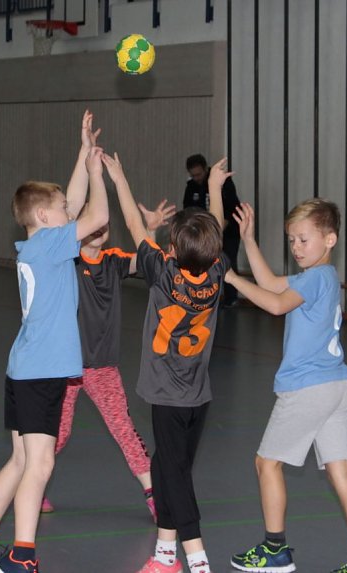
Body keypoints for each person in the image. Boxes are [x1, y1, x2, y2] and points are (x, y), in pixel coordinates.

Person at [0, 109, 109, 573]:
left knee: (22, 460)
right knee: (40, 464)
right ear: (45, 216)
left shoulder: (40, 243)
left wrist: (82, 153)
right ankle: (22, 557)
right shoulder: (51, 245)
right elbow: (95, 213)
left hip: (25, 367)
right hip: (41, 370)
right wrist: (98, 174)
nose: (69, 212)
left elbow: (73, 203)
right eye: (61, 210)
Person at [225, 200, 347, 573]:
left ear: (330, 239)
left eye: (303, 239)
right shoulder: (323, 276)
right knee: (341, 472)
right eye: (292, 240)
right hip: (338, 385)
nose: (296, 247)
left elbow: (277, 306)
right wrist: (248, 240)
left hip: (309, 387)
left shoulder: (315, 277)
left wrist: (231, 279)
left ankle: (275, 549)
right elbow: (270, 283)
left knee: (266, 463)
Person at [118, 152, 231, 573]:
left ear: (172, 248)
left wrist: (117, 175)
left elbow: (132, 224)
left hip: (167, 395)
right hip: (198, 394)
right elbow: (215, 231)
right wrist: (216, 188)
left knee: (176, 473)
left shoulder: (163, 274)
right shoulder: (218, 271)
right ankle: (165, 554)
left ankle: (197, 558)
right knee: (165, 465)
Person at [41, 193, 177, 518]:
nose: (99, 228)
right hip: (66, 367)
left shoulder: (113, 259)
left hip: (103, 367)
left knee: (124, 429)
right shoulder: (67, 262)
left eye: (104, 224)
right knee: (57, 435)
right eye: (92, 222)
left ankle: (152, 494)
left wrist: (150, 230)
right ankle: (33, 485)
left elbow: (146, 261)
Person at [183, 153, 242, 306]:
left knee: (227, 262)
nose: (197, 178)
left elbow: (232, 208)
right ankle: (204, 297)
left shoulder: (223, 181)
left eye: (199, 174)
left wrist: (217, 231)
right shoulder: (191, 187)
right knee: (203, 263)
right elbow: (188, 210)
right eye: (193, 175)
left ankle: (231, 298)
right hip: (203, 234)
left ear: (205, 168)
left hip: (228, 232)